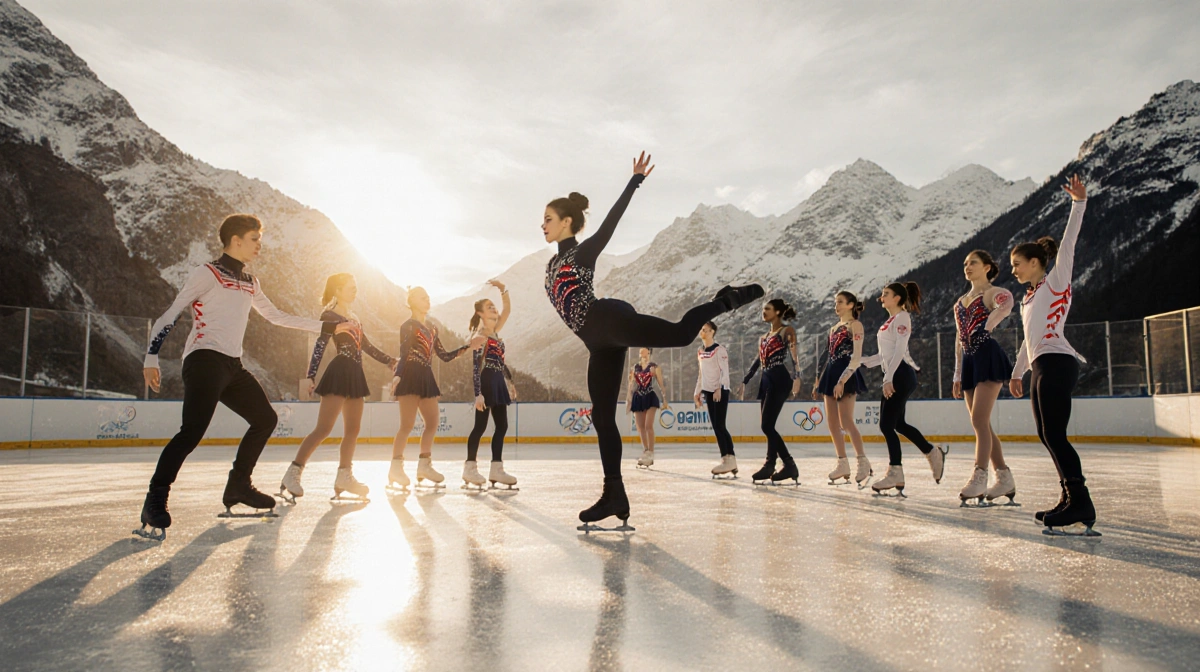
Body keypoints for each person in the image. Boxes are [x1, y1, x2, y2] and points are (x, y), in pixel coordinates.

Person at [542, 151, 763, 529]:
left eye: (548, 219)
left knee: (679, 334)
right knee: (601, 416)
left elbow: (610, 224)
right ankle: (615, 494)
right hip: (597, 343)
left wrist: (634, 181)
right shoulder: (551, 264)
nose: (542, 225)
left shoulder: (581, 253)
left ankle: (727, 299)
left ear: (566, 222)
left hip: (607, 320)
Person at [134, 214, 352, 540]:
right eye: (254, 239)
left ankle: (238, 485)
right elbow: (172, 311)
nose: (259, 245)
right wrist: (150, 356)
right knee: (192, 431)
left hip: (232, 365)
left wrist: (328, 327)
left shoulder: (251, 281)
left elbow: (276, 317)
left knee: (265, 418)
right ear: (235, 240)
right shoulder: (207, 274)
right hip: (204, 359)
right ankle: (155, 499)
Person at [1009, 174, 1098, 535]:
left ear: (1035, 262)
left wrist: (1079, 203)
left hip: (1059, 364)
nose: (1013, 270)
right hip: (1040, 365)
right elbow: (1027, 341)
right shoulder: (1028, 298)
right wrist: (1018, 372)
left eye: (1017, 263)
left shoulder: (1056, 281)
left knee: (1055, 433)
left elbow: (1069, 244)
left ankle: (1080, 501)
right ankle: (1069, 497)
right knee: (1047, 434)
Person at [279, 273, 396, 503]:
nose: (355, 290)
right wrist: (311, 375)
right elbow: (320, 345)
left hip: (355, 374)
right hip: (339, 371)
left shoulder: (355, 318)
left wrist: (390, 361)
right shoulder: (329, 316)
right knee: (323, 428)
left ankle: (344, 476)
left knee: (353, 430)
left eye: (355, 286)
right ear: (337, 290)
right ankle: (293, 473)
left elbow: (367, 346)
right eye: (350, 287)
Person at [387, 287, 484, 489]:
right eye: (423, 298)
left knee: (432, 422)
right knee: (406, 425)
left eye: (428, 297)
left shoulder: (432, 328)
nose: (427, 300)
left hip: (426, 376)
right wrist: (397, 376)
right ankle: (395, 468)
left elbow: (445, 356)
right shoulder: (408, 326)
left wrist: (468, 347)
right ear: (412, 301)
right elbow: (404, 353)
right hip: (410, 375)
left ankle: (424, 465)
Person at [860, 282, 948, 496]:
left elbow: (900, 351)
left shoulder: (902, 318)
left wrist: (887, 379)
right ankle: (931, 452)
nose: (881, 298)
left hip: (900, 374)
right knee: (897, 424)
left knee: (886, 425)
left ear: (898, 298)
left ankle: (895, 471)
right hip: (895, 373)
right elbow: (885, 355)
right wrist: (863, 361)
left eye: (885, 294)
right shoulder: (890, 321)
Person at [953, 250, 1018, 506]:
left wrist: (987, 325)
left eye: (973, 263)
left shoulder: (992, 293)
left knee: (980, 420)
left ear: (987, 267)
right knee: (982, 425)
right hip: (969, 361)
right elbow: (958, 339)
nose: (968, 266)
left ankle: (980, 476)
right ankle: (1004, 477)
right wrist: (957, 374)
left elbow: (1008, 302)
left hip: (988, 357)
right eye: (965, 263)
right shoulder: (959, 302)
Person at [739, 299, 803, 485]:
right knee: (767, 425)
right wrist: (746, 380)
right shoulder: (764, 336)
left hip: (780, 379)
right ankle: (770, 464)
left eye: (767, 309)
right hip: (766, 380)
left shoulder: (786, 331)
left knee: (767, 426)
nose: (763, 311)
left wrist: (797, 377)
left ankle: (788, 464)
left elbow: (794, 357)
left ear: (777, 312)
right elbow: (758, 360)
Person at [464, 280, 519, 490]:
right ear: (480, 313)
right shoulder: (480, 336)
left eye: (493, 305)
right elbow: (476, 367)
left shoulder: (495, 331)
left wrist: (503, 289)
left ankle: (496, 469)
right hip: (486, 382)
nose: (494, 309)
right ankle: (469, 468)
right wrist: (478, 394)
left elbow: (507, 310)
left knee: (502, 425)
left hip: (498, 382)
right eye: (489, 307)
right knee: (480, 426)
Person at [815, 292, 872, 488]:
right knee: (832, 423)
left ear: (850, 305)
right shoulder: (833, 329)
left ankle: (862, 461)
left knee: (846, 420)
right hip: (830, 374)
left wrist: (842, 380)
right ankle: (842, 463)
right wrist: (819, 378)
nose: (836, 306)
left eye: (840, 302)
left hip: (845, 374)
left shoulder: (855, 326)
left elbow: (856, 358)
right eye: (835, 302)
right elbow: (827, 355)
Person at [694, 321, 737, 478]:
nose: (702, 331)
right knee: (717, 426)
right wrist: (697, 392)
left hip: (720, 390)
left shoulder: (719, 350)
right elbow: (701, 374)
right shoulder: (700, 351)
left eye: (705, 329)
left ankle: (727, 458)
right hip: (707, 390)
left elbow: (724, 371)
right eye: (701, 329)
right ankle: (730, 458)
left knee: (720, 426)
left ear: (712, 332)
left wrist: (719, 387)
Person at [627, 348, 668, 468]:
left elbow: (661, 383)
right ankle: (645, 452)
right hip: (638, 397)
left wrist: (664, 398)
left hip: (650, 396)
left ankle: (651, 452)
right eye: (641, 351)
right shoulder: (635, 367)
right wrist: (628, 399)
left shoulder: (654, 367)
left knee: (648, 425)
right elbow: (631, 384)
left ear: (649, 353)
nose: (642, 353)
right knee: (640, 427)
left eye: (644, 351)